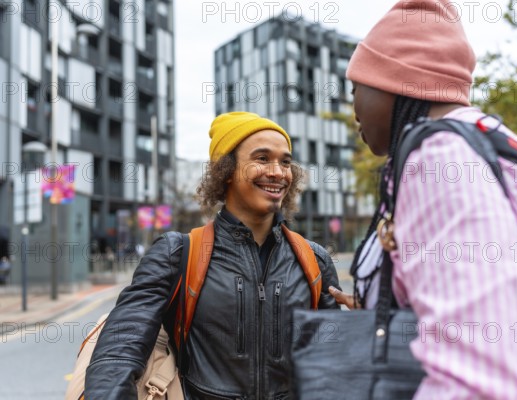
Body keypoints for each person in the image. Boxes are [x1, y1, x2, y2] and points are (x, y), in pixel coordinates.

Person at [328, 1, 517, 398]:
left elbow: (481, 381)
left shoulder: (439, 161)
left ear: (394, 81)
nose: (353, 109)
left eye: (355, 88)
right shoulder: (489, 139)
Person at [85, 111, 341, 399]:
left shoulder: (314, 259)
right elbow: (120, 348)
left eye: (285, 161)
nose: (278, 172)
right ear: (226, 170)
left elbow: (336, 362)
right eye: (261, 158)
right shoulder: (176, 253)